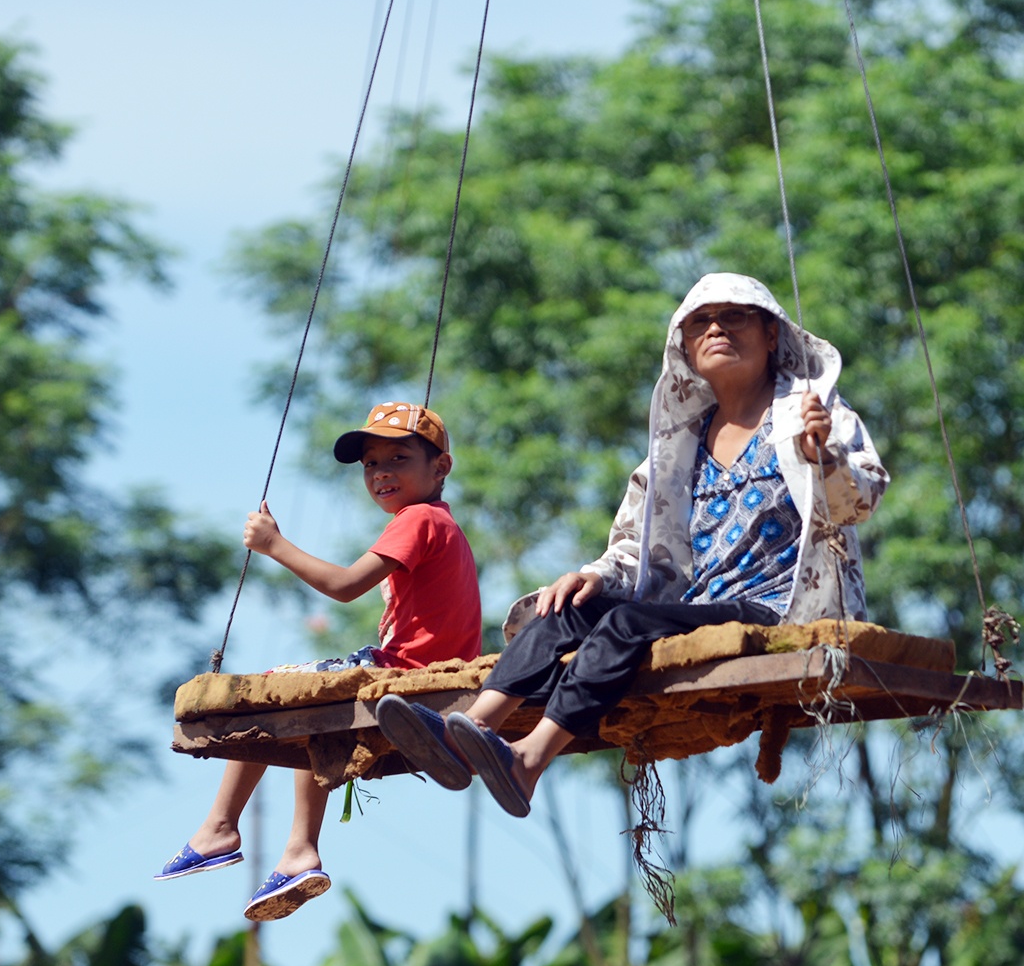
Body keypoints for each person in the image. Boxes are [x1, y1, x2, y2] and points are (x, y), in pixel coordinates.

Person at [376, 273, 887, 817]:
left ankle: (528, 760)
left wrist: (824, 458)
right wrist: (595, 575)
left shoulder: (811, 414)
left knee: (626, 623)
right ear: (685, 346)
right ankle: (468, 731)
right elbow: (636, 542)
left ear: (771, 334)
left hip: (779, 608)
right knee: (566, 606)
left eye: (734, 316)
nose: (716, 329)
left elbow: (861, 498)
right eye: (700, 322)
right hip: (701, 606)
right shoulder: (679, 444)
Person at [157, 401, 482, 919]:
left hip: (403, 672)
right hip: (422, 670)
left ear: (440, 467)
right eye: (371, 464)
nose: (381, 473)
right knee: (311, 710)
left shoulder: (418, 519)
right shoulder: (440, 523)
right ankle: (295, 851)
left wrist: (274, 545)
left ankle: (222, 828)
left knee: (270, 693)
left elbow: (345, 586)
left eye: (398, 459)